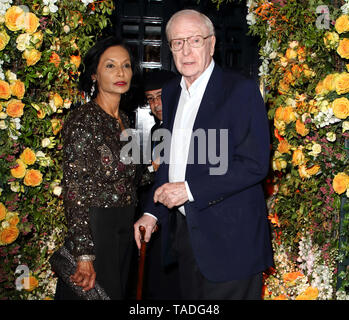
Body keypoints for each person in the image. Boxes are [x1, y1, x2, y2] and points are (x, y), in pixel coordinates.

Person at [134, 9, 273, 300]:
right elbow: (170, 159)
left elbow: (255, 164)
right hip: (188, 238)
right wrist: (152, 212)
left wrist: (189, 190)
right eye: (177, 42)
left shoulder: (241, 90)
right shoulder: (171, 91)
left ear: (211, 44)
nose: (185, 50)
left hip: (232, 242)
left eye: (194, 40)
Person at [55, 36, 151, 300]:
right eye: (110, 66)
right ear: (95, 74)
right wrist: (83, 255)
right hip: (97, 229)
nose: (121, 72)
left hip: (124, 227)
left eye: (126, 65)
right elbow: (74, 190)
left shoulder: (126, 119)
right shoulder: (82, 120)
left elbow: (133, 178)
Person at [141, 69, 181, 299]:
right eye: (150, 98)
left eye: (160, 96)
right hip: (155, 217)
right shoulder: (157, 130)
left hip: (178, 222)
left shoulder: (184, 127)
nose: (156, 104)